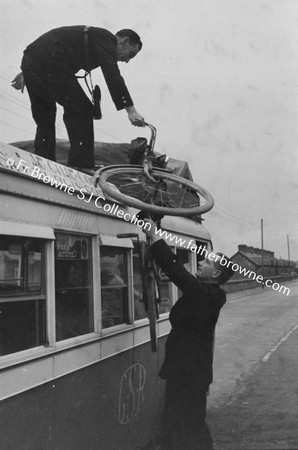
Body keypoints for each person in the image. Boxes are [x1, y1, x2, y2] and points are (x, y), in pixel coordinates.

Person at [142, 220, 234, 450]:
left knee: (188, 425)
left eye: (206, 262)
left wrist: (155, 237)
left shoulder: (208, 295)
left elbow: (178, 273)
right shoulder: (208, 293)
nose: (201, 262)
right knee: (183, 424)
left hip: (188, 374)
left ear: (216, 273)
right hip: (187, 371)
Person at [11, 26, 145, 172]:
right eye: (130, 55)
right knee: (82, 109)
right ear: (124, 41)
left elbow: (54, 49)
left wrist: (28, 70)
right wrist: (131, 110)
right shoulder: (107, 40)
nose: (126, 61)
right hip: (50, 60)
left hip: (32, 59)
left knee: (45, 115)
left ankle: (43, 164)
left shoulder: (94, 40)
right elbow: (113, 75)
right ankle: (81, 165)